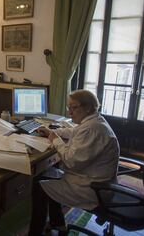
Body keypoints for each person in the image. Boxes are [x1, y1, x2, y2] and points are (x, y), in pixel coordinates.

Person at [28, 90, 120, 236]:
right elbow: (75, 132)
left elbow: (70, 161)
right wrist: (54, 131)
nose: (70, 112)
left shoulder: (92, 129)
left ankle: (35, 233)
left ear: (88, 107)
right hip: (94, 179)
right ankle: (57, 223)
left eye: (73, 107)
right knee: (48, 175)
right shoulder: (94, 121)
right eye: (68, 108)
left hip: (92, 189)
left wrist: (55, 140)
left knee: (38, 185)